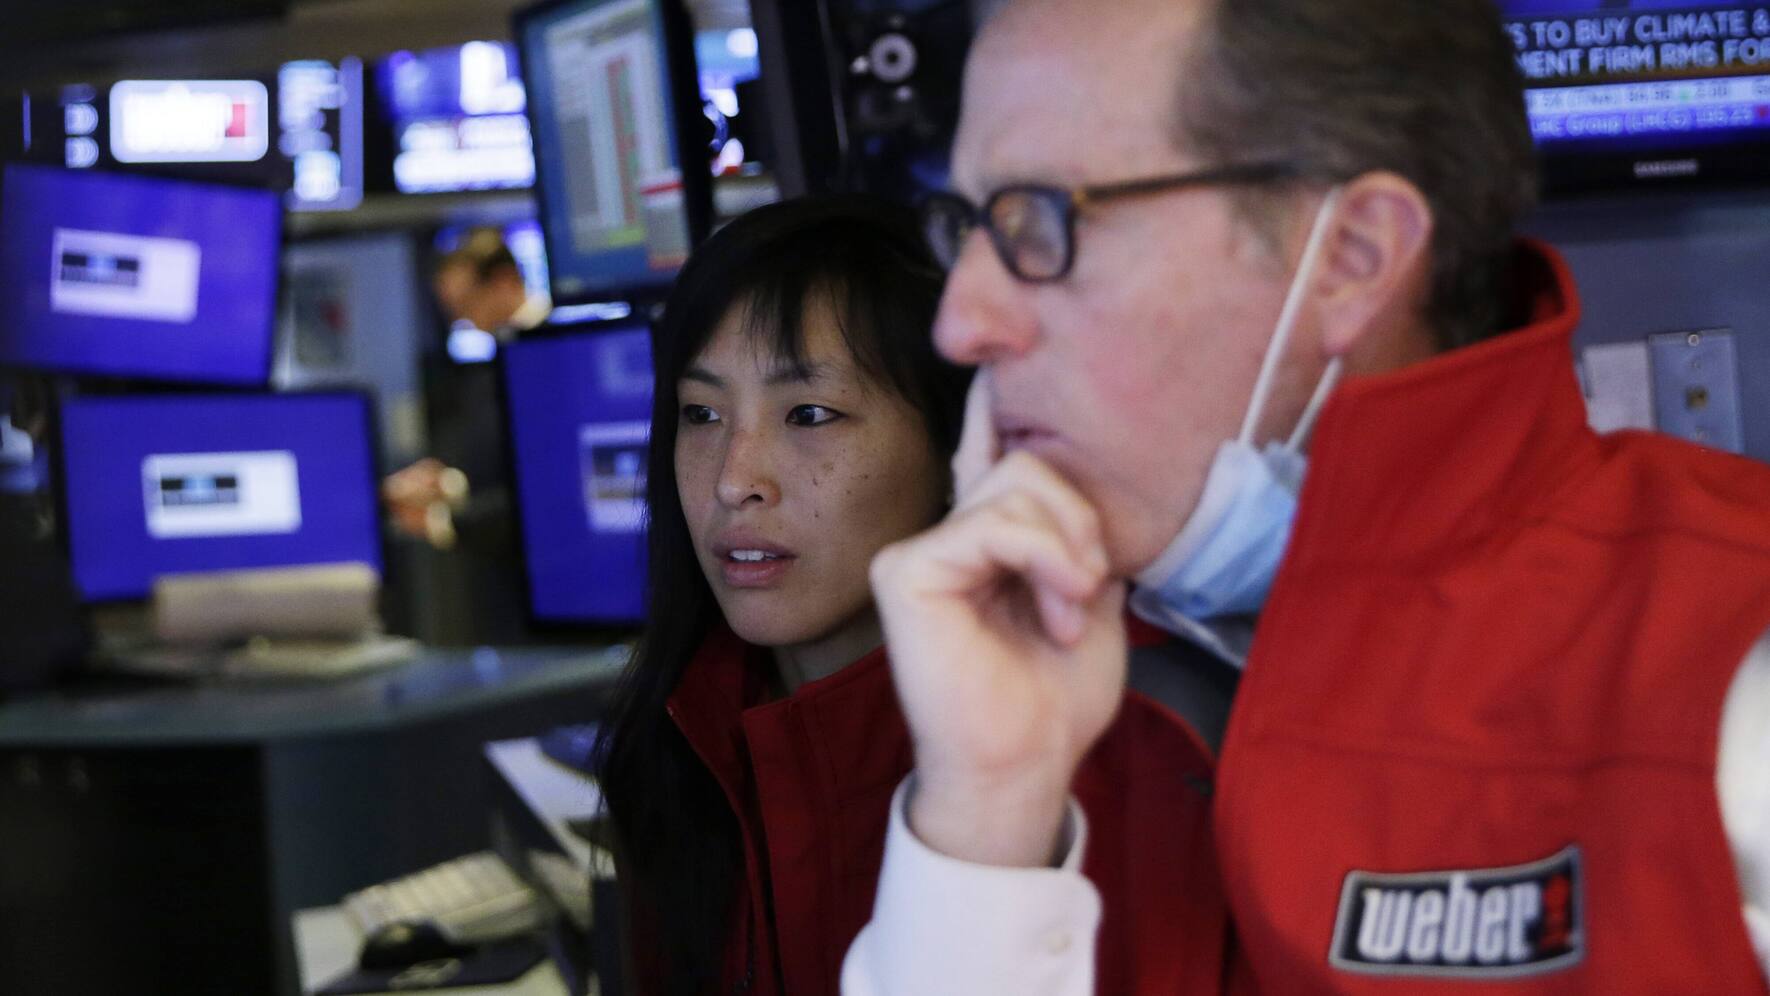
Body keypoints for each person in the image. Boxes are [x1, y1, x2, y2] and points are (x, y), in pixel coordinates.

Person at [843, 0, 1770, 993]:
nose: (960, 322)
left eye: (1041, 221)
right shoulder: (1015, 691)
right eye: (968, 227)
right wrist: (984, 821)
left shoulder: (1731, 648)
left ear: (1351, 257)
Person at [596, 194, 1233, 996]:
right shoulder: (683, 736)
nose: (733, 480)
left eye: (811, 414)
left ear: (957, 447)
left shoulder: (1103, 765)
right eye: (700, 413)